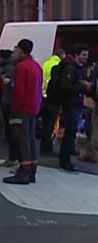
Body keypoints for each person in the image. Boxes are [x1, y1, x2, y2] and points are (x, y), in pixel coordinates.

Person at [3, 39, 44, 185]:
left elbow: (19, 91)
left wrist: (14, 108)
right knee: (30, 139)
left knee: (22, 139)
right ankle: (31, 169)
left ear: (21, 51)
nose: (13, 53)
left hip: (22, 108)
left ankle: (24, 171)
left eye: (15, 50)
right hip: (33, 107)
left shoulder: (21, 67)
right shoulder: (36, 66)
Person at [57, 43, 92, 171]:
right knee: (70, 132)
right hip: (71, 104)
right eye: (83, 54)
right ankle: (65, 161)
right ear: (76, 55)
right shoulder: (71, 69)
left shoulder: (79, 68)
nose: (86, 57)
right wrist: (83, 86)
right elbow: (65, 87)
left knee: (71, 133)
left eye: (87, 55)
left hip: (75, 103)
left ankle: (66, 159)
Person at [40, 49, 66, 153]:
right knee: (51, 124)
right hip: (53, 97)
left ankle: (44, 143)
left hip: (43, 94)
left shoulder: (46, 63)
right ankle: (47, 146)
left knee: (45, 123)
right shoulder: (59, 65)